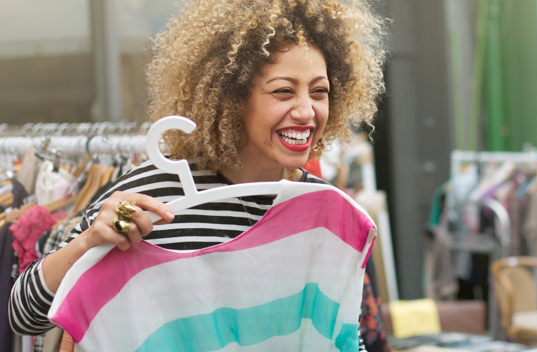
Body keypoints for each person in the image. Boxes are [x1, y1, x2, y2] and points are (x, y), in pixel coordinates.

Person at [10, 0, 388, 350]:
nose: (306, 112)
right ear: (233, 97)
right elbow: (23, 313)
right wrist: (88, 243)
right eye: (284, 91)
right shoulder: (151, 198)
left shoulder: (324, 211)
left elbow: (343, 338)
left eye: (319, 92)